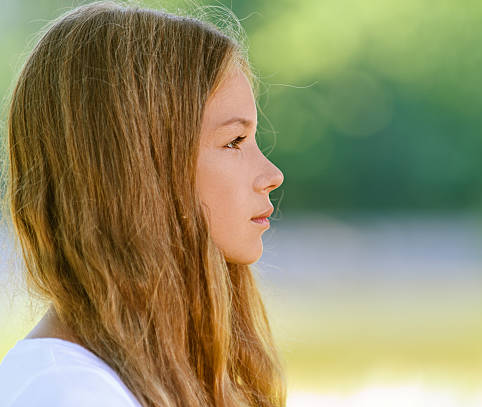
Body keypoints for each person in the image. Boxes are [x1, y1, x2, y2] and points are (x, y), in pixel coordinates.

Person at [0, 2, 286, 406]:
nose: (272, 174)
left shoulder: (126, 379)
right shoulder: (66, 392)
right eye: (234, 141)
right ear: (137, 166)